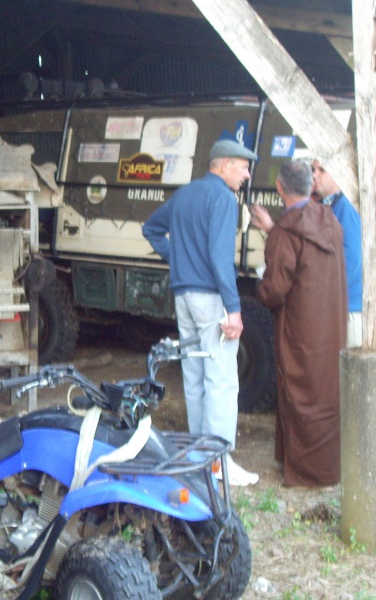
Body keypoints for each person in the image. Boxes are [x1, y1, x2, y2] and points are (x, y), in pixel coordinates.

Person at [143, 139, 260, 487]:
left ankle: (198, 455)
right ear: (223, 165)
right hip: (211, 298)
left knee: (193, 374)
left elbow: (151, 228)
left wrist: (177, 259)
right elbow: (220, 258)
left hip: (184, 297)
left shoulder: (186, 194)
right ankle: (218, 461)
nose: (247, 173)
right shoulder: (223, 198)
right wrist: (234, 309)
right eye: (242, 166)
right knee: (222, 380)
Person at [251, 160, 347, 488]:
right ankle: (325, 467)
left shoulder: (288, 229)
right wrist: (274, 229)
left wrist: (258, 289)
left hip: (299, 328)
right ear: (310, 186)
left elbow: (276, 288)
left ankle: (306, 473)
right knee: (323, 392)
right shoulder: (329, 220)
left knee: (298, 391)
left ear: (280, 188)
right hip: (331, 327)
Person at [312, 160, 362, 348]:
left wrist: (329, 295)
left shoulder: (346, 207)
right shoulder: (331, 205)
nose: (315, 175)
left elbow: (352, 256)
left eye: (322, 170)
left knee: (346, 375)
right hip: (339, 307)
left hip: (348, 309)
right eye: (313, 170)